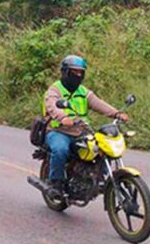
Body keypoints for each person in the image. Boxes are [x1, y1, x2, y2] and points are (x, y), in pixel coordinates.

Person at [43, 55, 129, 195]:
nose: (77, 75)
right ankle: (55, 183)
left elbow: (99, 104)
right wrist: (63, 117)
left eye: (80, 72)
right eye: (74, 72)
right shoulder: (55, 90)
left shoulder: (83, 92)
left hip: (81, 130)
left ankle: (97, 178)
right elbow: (52, 105)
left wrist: (117, 113)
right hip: (59, 130)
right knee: (60, 150)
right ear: (65, 72)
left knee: (102, 147)